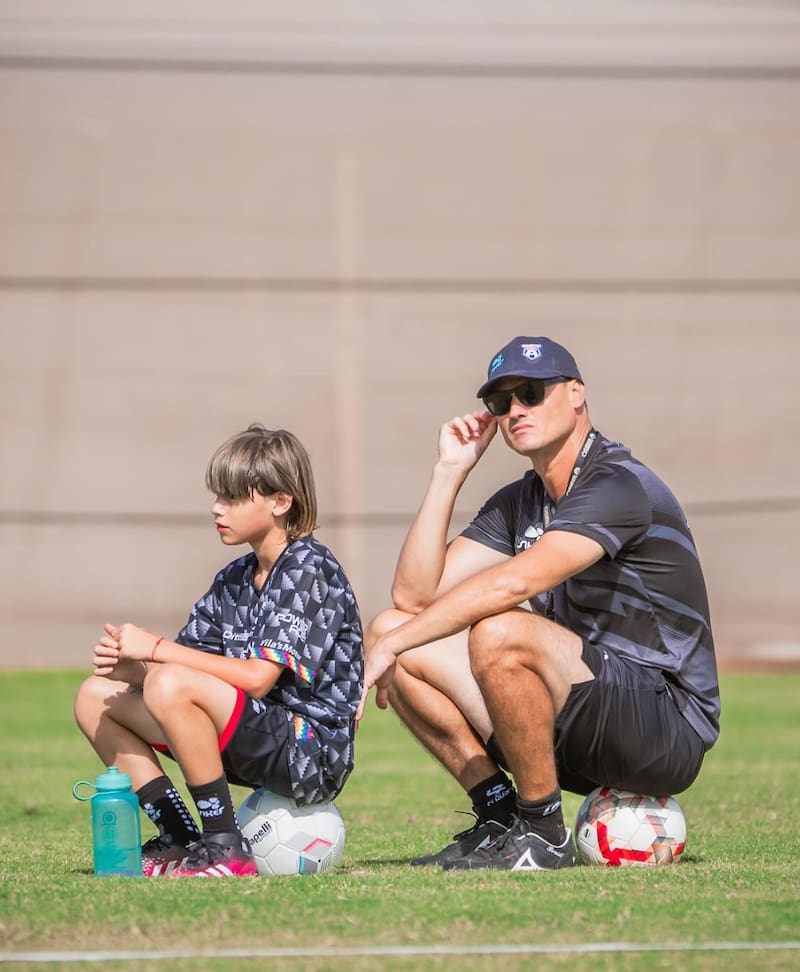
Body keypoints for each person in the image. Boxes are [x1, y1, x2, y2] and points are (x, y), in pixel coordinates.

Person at [357, 336, 719, 872]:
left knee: (495, 630)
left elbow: (513, 584)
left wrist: (393, 643)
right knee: (397, 628)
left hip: (665, 724)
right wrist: (449, 473)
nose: (515, 411)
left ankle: (544, 834)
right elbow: (413, 595)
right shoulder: (519, 501)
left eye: (530, 392)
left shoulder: (617, 484)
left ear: (576, 394)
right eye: (501, 403)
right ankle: (501, 818)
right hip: (579, 711)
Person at [75, 424, 364, 878]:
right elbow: (186, 675)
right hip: (250, 732)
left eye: (231, 497)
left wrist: (156, 648)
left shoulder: (309, 569)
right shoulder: (234, 578)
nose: (217, 508)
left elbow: (256, 678)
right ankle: (179, 838)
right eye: (217, 496)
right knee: (95, 696)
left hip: (310, 754)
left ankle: (225, 846)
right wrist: (136, 670)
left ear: (280, 501)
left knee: (169, 679)